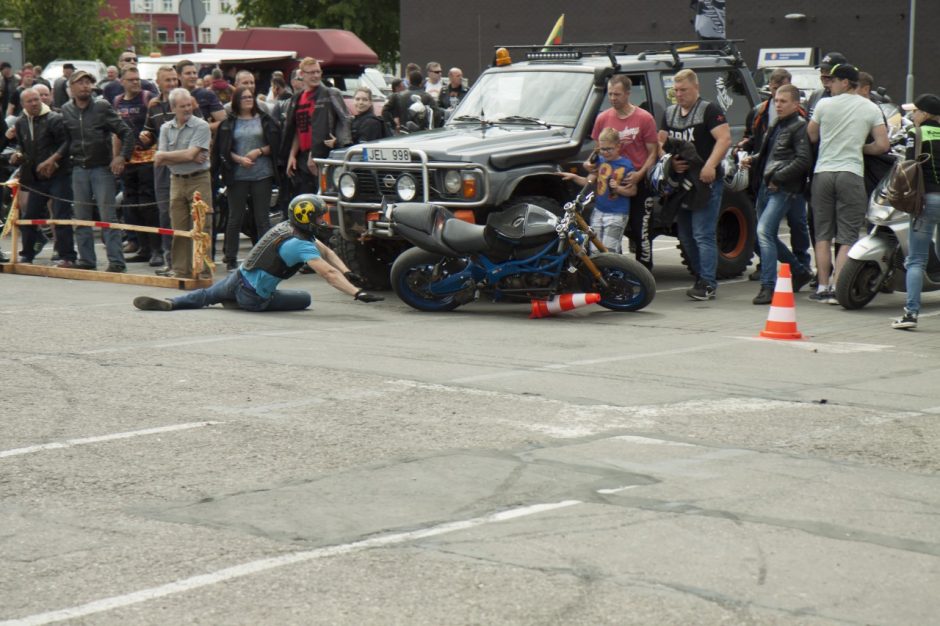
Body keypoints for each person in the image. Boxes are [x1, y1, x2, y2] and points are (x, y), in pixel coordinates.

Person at [132, 195, 383, 312]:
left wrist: (349, 272)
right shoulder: (301, 245)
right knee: (304, 299)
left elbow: (327, 251)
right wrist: (357, 293)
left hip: (238, 278)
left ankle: (172, 303)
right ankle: (239, 303)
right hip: (255, 297)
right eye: (319, 216)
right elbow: (328, 273)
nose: (322, 220)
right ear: (306, 218)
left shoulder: (287, 228)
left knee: (207, 295)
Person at [806, 64, 889, 303]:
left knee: (822, 234)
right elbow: (882, 145)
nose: (829, 85)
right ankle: (837, 288)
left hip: (823, 172)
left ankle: (821, 287)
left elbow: (811, 135)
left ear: (846, 83)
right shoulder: (870, 107)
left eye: (833, 81)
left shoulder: (823, 105)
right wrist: (861, 148)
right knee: (847, 235)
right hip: (851, 173)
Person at [659, 68, 732, 300]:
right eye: (676, 90)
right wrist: (670, 162)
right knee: (685, 235)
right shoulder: (669, 113)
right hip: (682, 184)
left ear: (696, 88)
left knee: (703, 233)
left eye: (684, 90)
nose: (679, 94)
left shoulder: (709, 109)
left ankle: (708, 283)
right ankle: (701, 277)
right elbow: (660, 142)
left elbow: (724, 138)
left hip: (706, 182)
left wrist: (710, 165)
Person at [742, 85, 814, 304]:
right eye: (776, 101)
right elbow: (769, 155)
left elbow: (803, 160)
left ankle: (768, 286)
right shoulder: (776, 124)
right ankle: (799, 271)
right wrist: (752, 160)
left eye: (783, 101)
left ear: (795, 104)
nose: (778, 105)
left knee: (763, 232)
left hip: (781, 188)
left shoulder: (799, 127)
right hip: (766, 185)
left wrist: (778, 177)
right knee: (765, 234)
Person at [61, 70, 135, 272]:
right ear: (71, 87)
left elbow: (126, 132)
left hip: (102, 168)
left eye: (88, 82)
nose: (85, 86)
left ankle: (117, 262)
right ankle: (86, 260)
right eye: (80, 82)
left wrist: (121, 156)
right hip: (78, 168)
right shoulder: (66, 110)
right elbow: (64, 140)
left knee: (107, 216)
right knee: (81, 216)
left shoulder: (102, 106)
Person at [588, 74, 658, 269]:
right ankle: (615, 270)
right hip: (611, 183)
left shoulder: (644, 118)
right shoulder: (603, 118)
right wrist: (591, 165)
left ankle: (645, 271)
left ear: (628, 93)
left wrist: (639, 175)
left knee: (640, 229)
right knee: (611, 230)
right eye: (610, 94)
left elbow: (653, 152)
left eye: (617, 94)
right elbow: (597, 150)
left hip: (637, 179)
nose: (613, 98)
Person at [215, 85, 280, 270]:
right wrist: (239, 159)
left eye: (250, 96)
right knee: (235, 217)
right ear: (237, 100)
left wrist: (258, 151)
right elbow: (224, 149)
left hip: (262, 174)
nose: (248, 99)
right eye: (244, 97)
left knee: (262, 218)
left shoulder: (265, 120)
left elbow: (275, 144)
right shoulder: (229, 122)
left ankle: (267, 258)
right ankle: (231, 258)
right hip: (237, 175)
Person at [9, 88, 76, 266]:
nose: (34, 103)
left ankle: (67, 256)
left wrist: (53, 160)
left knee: (61, 215)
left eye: (36, 100)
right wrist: (18, 155)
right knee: (29, 215)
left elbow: (67, 142)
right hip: (35, 178)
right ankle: (27, 254)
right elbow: (23, 147)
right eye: (30, 101)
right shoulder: (21, 122)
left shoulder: (54, 118)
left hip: (58, 175)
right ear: (23, 104)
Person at [891, 94, 940, 330]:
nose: (913, 115)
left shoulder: (916, 133)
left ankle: (911, 313)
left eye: (916, 111)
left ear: (926, 114)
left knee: (916, 259)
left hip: (926, 201)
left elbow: (909, 165)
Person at [154, 87, 213, 279]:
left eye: (189, 105)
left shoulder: (202, 125)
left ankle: (204, 271)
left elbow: (187, 154)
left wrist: (167, 155)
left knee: (202, 227)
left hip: (199, 179)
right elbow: (160, 159)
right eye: (182, 106)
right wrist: (185, 156)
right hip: (176, 181)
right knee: (179, 228)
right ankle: (181, 270)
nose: (187, 109)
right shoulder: (165, 128)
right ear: (173, 108)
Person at [113, 65, 162, 267]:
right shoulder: (117, 102)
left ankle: (157, 249)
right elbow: (116, 132)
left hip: (148, 159)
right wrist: (116, 157)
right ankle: (142, 247)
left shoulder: (148, 97)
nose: (135, 82)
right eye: (131, 79)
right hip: (128, 160)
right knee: (131, 205)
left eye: (137, 79)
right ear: (122, 81)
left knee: (148, 205)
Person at [557, 128, 636, 253]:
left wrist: (617, 188)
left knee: (609, 250)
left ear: (618, 146)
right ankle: (603, 272)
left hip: (617, 213)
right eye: (602, 149)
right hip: (599, 211)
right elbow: (588, 182)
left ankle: (616, 271)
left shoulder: (626, 165)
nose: (605, 152)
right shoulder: (600, 162)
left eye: (609, 149)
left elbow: (632, 191)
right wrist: (574, 177)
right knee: (595, 250)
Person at [280, 57, 351, 195]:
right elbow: (298, 129)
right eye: (311, 72)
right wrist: (292, 155)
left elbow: (345, 120)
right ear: (302, 74)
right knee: (305, 200)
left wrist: (339, 142)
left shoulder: (331, 93)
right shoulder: (297, 98)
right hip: (302, 159)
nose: (316, 76)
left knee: (325, 199)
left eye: (318, 72)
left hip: (325, 155)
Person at [142, 65, 181, 268]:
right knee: (165, 213)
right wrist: (144, 137)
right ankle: (169, 260)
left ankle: (187, 260)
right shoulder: (154, 105)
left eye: (175, 79)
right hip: (162, 167)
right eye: (168, 80)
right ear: (158, 83)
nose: (173, 83)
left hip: (184, 165)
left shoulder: (185, 100)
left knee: (184, 214)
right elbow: (149, 132)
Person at [176, 60, 226, 130]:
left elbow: (224, 122)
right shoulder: (174, 95)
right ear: (178, 76)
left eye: (194, 73)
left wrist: (201, 128)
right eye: (188, 73)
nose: (192, 76)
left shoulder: (207, 94)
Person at [806, 51, 847, 118]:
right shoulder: (816, 94)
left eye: (828, 72)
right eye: (822, 72)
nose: (824, 76)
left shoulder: (849, 97)